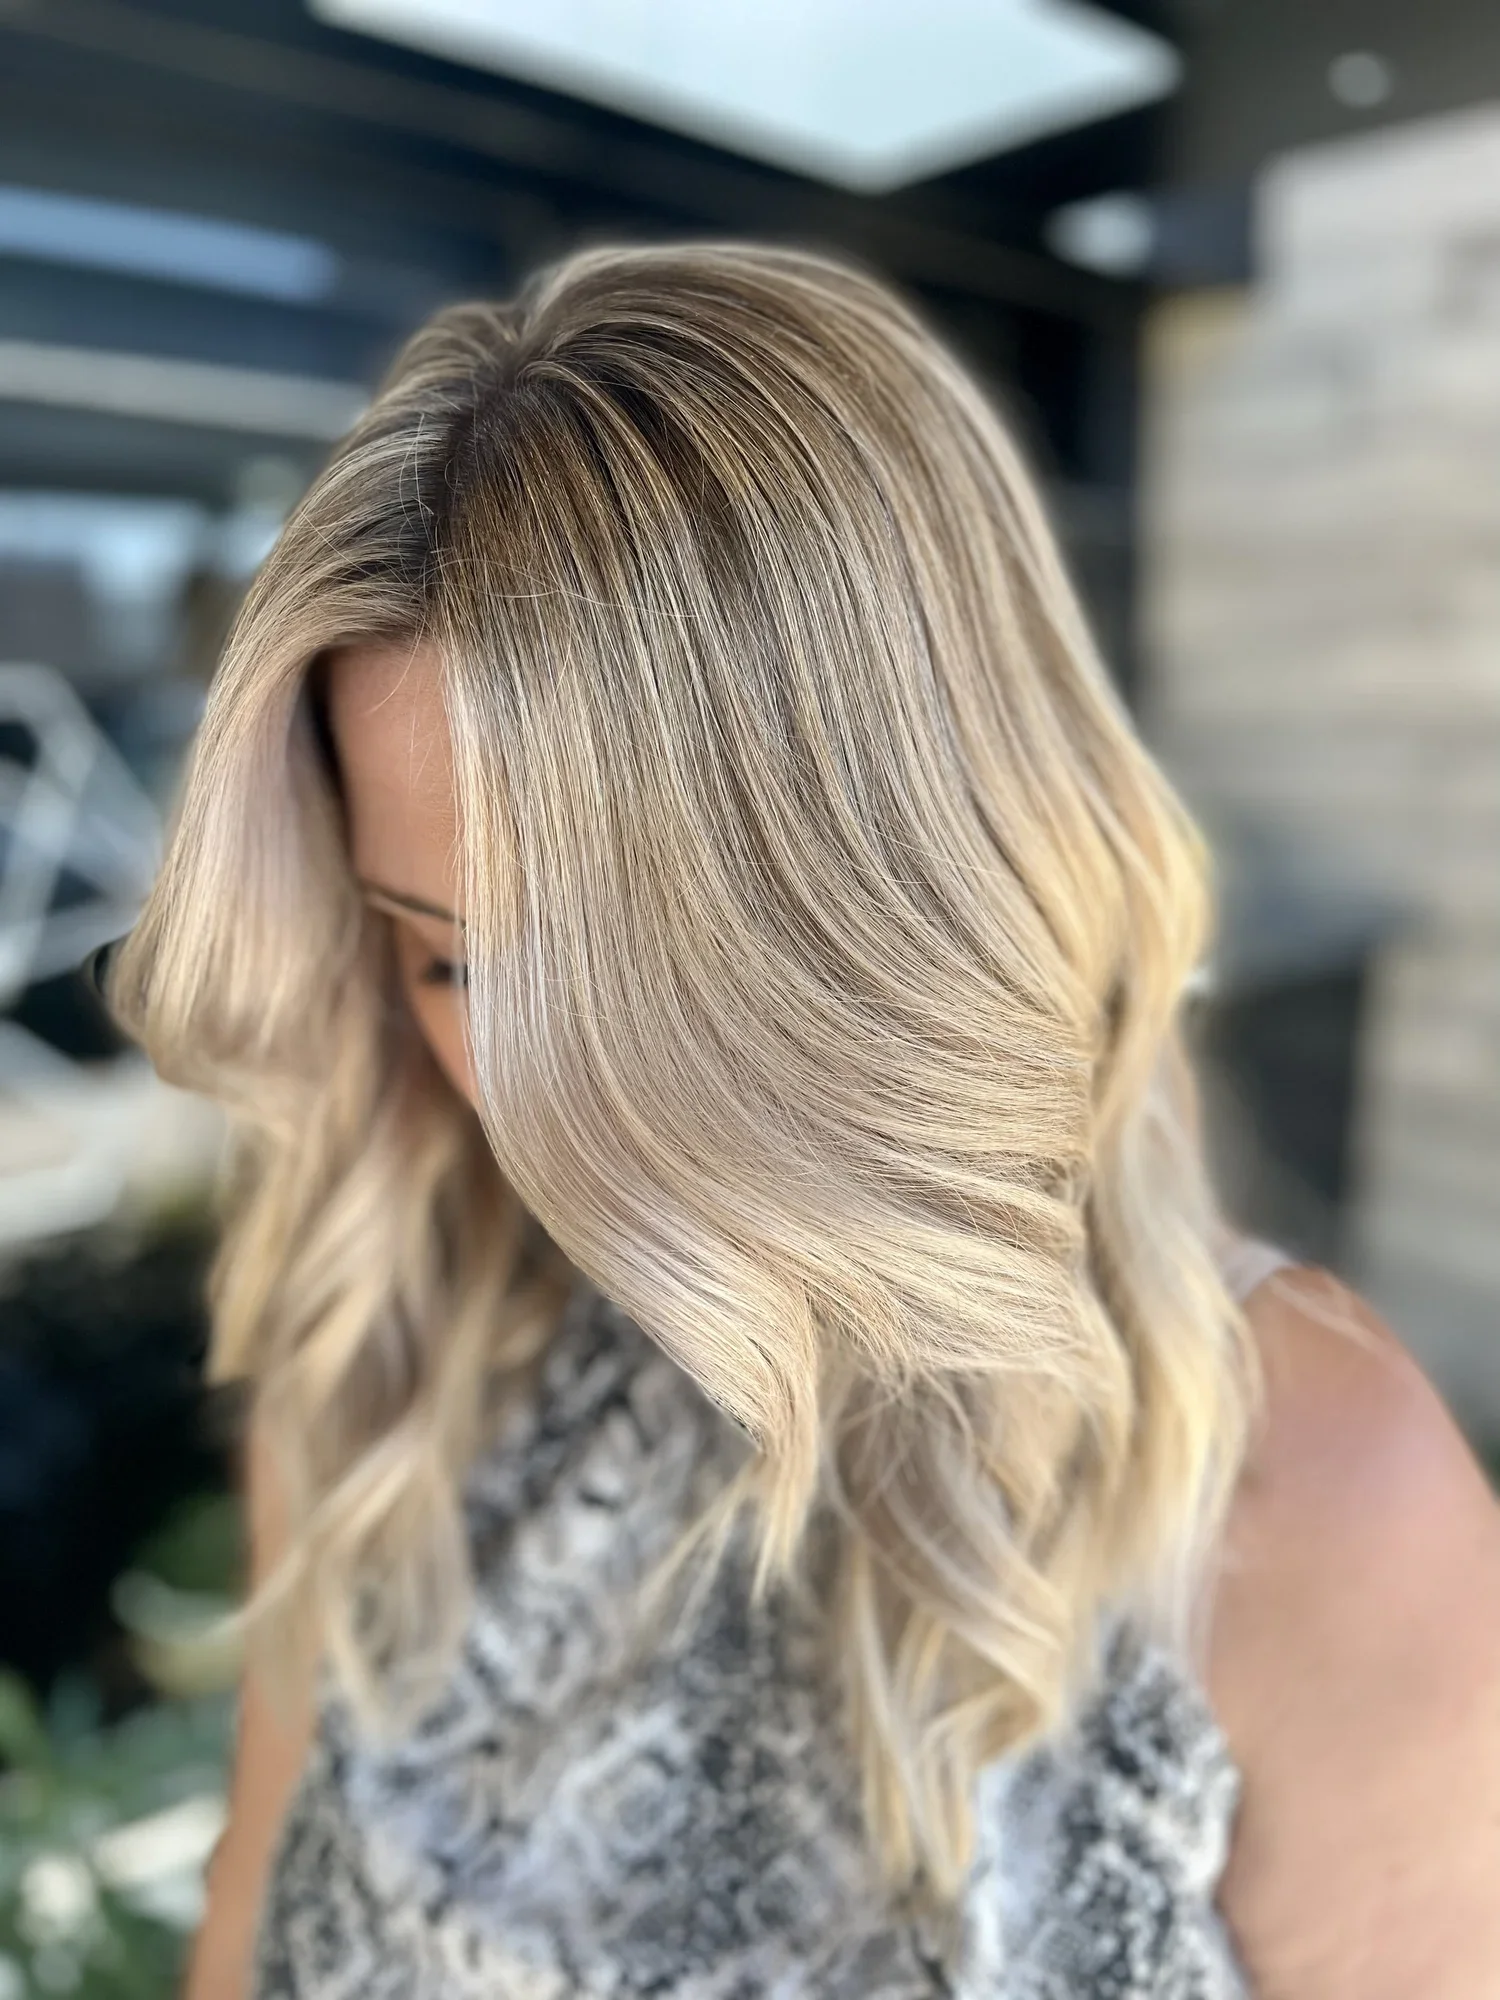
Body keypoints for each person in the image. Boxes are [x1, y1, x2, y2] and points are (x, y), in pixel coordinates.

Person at [109, 241, 1500, 2000]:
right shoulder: (398, 1355)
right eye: (448, 962)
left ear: (895, 916)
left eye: (633, 990)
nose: (540, 1113)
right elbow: (248, 1916)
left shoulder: (1299, 1486)